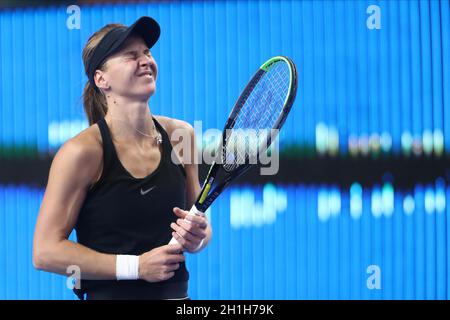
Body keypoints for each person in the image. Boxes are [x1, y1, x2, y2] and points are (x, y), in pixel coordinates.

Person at [32, 16, 212, 300]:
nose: (145, 61)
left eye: (147, 53)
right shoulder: (82, 152)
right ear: (101, 80)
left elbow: (200, 230)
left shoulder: (182, 136)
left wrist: (199, 236)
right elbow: (45, 251)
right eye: (131, 55)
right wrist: (136, 266)